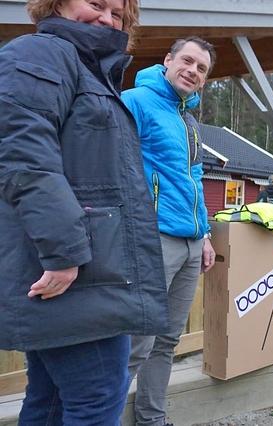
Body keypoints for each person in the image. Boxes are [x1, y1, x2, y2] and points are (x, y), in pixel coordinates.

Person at [0, 0, 169, 422]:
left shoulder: (85, 67)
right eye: (95, 4)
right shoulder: (37, 54)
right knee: (97, 398)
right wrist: (64, 253)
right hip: (75, 271)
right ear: (56, 3)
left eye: (118, 14)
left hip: (85, 269)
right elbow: (25, 159)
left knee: (51, 398)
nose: (107, 19)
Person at [122, 36, 217, 425]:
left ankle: (151, 419)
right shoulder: (135, 101)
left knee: (166, 341)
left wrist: (205, 234)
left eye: (201, 69)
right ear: (168, 60)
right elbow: (113, 164)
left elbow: (194, 177)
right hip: (152, 238)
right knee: (134, 344)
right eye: (187, 61)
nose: (193, 71)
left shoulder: (189, 121)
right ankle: (97, 417)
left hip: (190, 243)